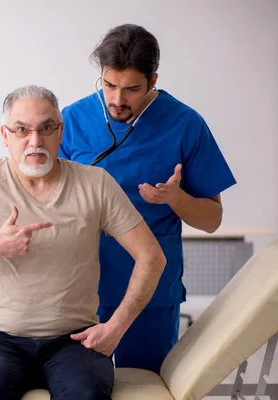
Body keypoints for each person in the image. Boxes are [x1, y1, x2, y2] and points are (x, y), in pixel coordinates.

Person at [0, 85, 166, 400]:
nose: (35, 141)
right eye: (22, 130)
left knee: (85, 395)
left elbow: (152, 257)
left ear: (60, 132)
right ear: (5, 136)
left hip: (74, 341)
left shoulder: (96, 184)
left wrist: (115, 328)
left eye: (45, 128)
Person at [59, 24, 237, 373]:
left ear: (153, 81)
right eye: (109, 85)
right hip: (79, 290)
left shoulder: (185, 125)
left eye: (131, 89)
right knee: (77, 389)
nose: (117, 100)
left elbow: (212, 220)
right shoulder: (72, 120)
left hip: (150, 295)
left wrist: (176, 198)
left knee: (146, 388)